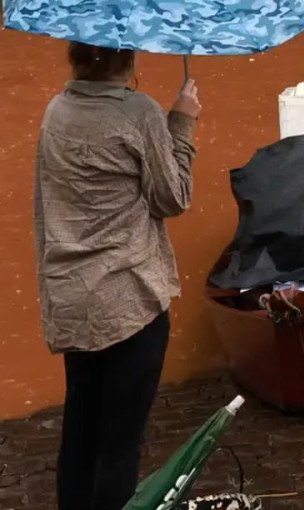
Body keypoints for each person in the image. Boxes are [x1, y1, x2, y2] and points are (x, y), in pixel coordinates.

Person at [35, 42, 200, 510]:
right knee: (120, 445)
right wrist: (182, 121)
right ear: (131, 58)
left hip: (74, 301)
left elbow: (48, 208)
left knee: (81, 431)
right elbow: (173, 198)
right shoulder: (140, 112)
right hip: (130, 302)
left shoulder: (56, 111)